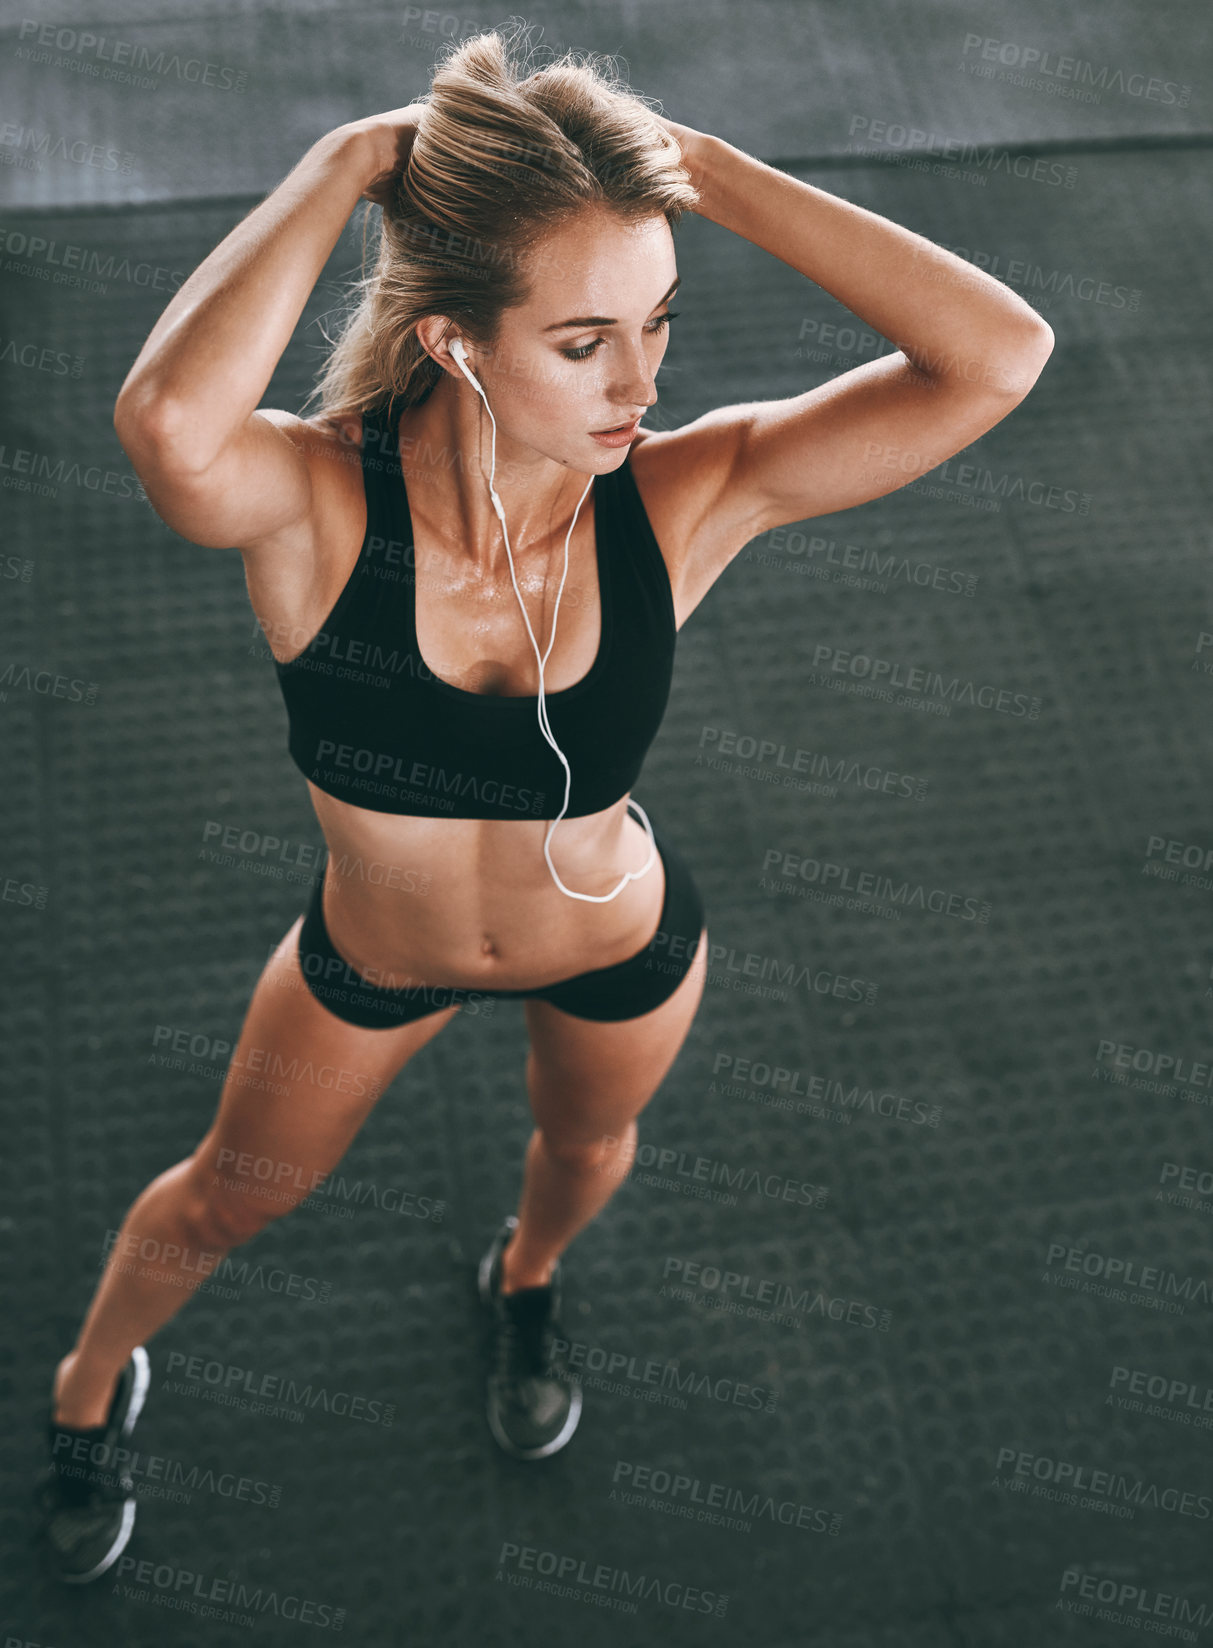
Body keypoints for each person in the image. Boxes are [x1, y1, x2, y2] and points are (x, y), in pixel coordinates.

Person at [34, 26, 1054, 1583]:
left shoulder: (683, 496)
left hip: (623, 941)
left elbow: (998, 356)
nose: (644, 382)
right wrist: (343, 163)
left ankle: (523, 1279)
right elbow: (169, 431)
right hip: (378, 962)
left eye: (657, 321)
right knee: (220, 1203)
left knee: (583, 1155)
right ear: (454, 343)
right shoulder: (313, 508)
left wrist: (695, 172)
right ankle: (90, 1382)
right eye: (585, 342)